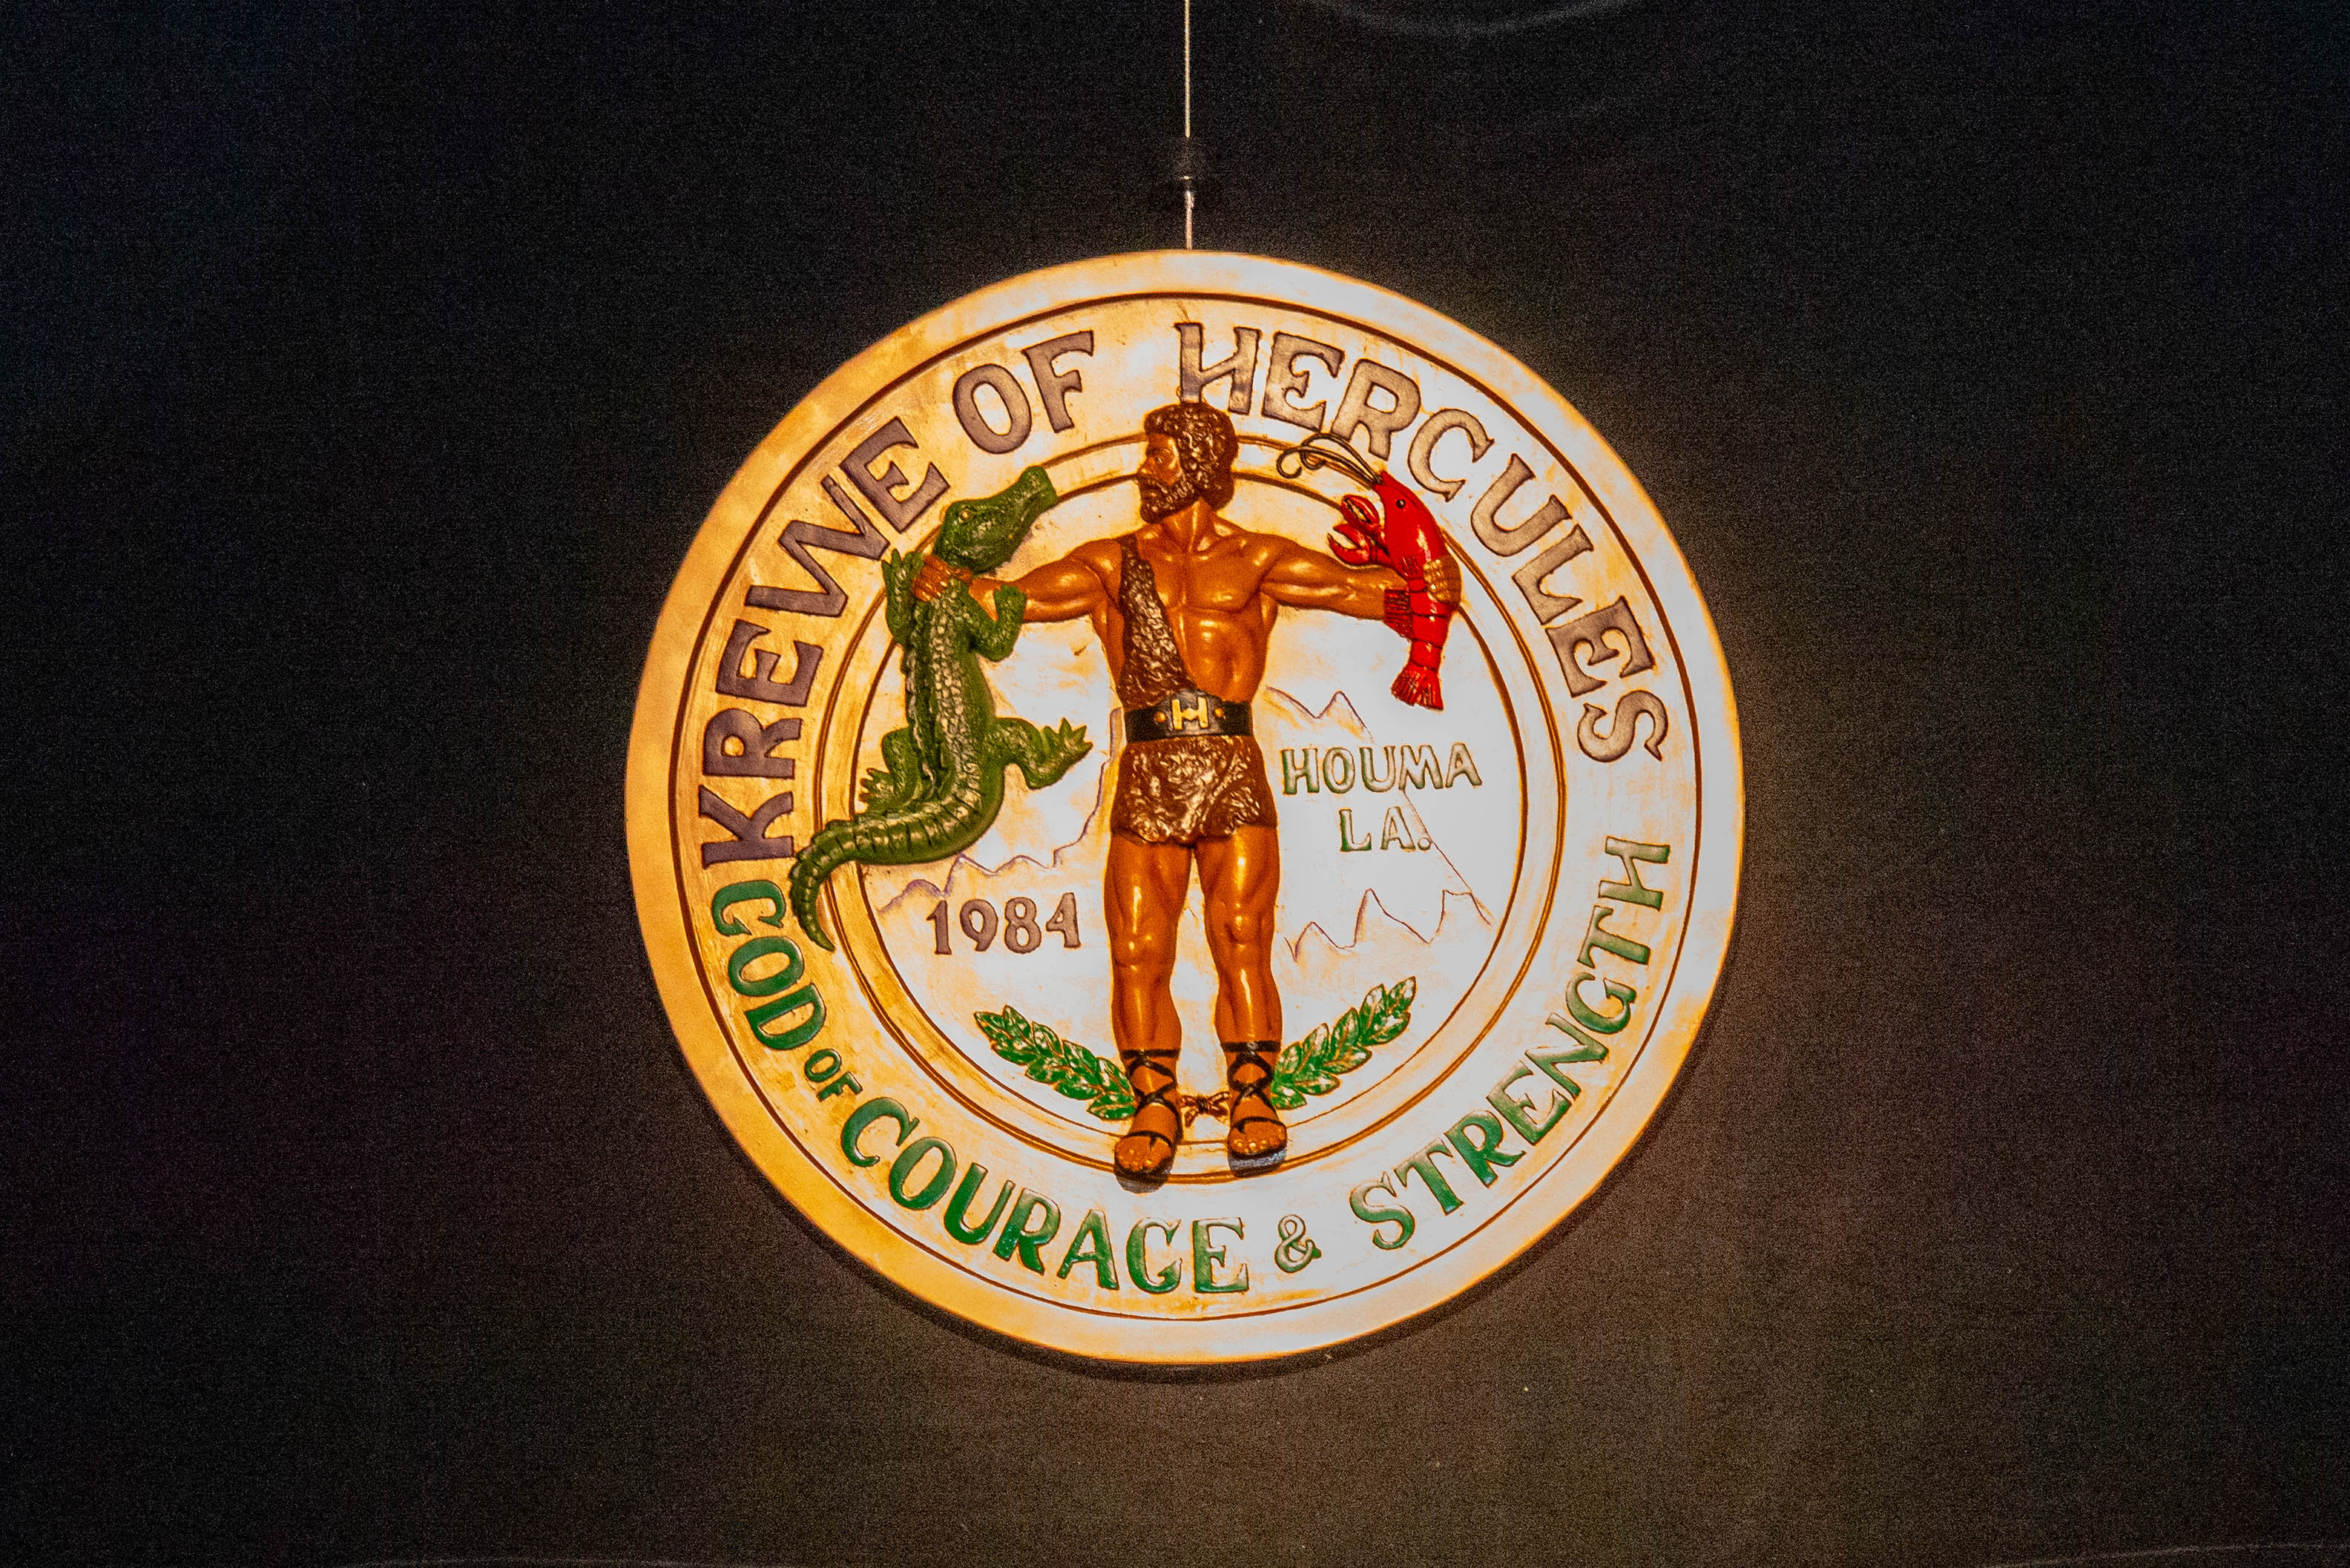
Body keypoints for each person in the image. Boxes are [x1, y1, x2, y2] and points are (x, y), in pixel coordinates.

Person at [913, 402, 1461, 1178]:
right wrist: (951, 582)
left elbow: (1367, 595)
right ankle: (1153, 1102)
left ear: (1201, 464)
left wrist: (1438, 581)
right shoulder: (1110, 563)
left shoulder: (1261, 559)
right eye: (1148, 455)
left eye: (1160, 456)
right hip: (1150, 763)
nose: (1145, 469)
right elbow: (1018, 600)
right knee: (1140, 946)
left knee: (1243, 934)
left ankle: (1253, 1096)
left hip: (1231, 758)